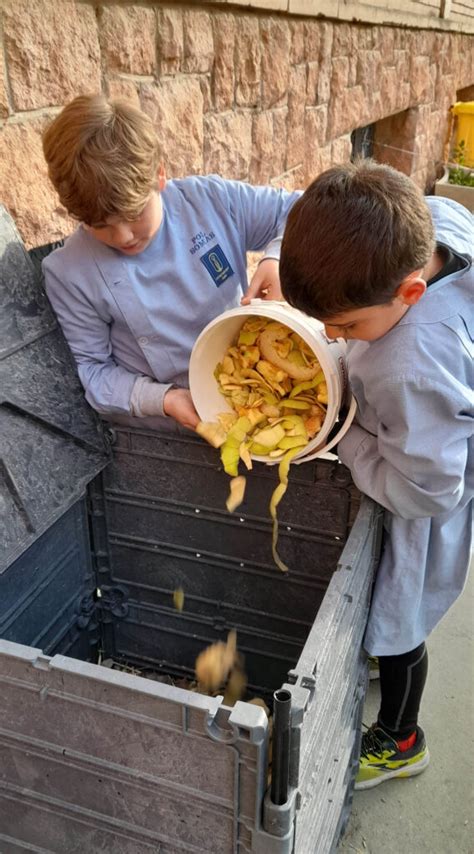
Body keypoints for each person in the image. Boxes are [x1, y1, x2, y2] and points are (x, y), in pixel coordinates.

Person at [279, 159, 473, 789]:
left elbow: (423, 492)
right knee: (395, 608)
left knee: (402, 613)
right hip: (430, 434)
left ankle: (401, 737)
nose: (334, 334)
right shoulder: (432, 224)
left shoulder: (409, 366)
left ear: (410, 291)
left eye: (347, 325)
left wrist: (343, 437)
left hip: (430, 478)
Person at [41, 94, 301, 432]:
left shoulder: (212, 200)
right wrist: (164, 399)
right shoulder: (68, 271)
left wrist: (277, 255)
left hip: (257, 382)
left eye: (134, 214)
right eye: (100, 225)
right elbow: (94, 373)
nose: (122, 237)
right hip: (169, 423)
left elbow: (300, 209)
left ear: (159, 175)